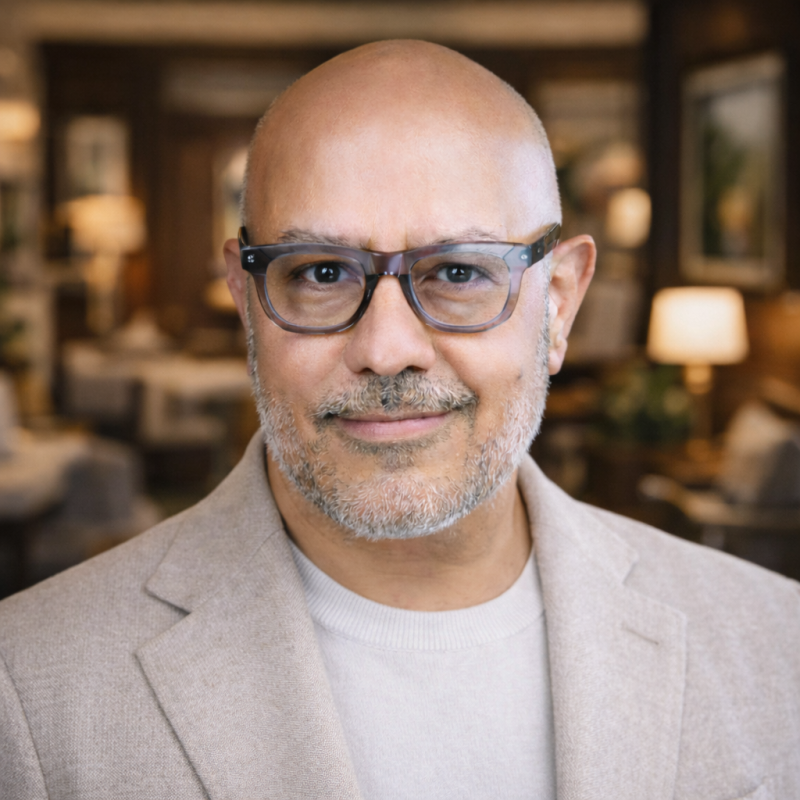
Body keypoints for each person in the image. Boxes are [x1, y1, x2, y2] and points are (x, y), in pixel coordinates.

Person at [1, 40, 798, 800]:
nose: (386, 349)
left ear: (557, 307)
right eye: (320, 272)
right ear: (248, 306)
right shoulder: (30, 682)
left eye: (457, 271)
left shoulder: (775, 644)